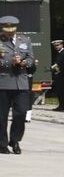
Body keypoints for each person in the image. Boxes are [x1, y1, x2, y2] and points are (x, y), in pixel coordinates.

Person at [0, 16, 35, 154]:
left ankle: (15, 140)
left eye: (12, 30)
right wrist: (10, 63)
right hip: (3, 83)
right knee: (1, 116)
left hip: (21, 83)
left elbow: (31, 58)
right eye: (7, 31)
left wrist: (24, 62)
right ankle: (2, 143)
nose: (10, 33)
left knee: (21, 113)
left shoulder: (25, 40)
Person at [50, 39, 64, 111]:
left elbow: (61, 65)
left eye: (58, 45)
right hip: (58, 75)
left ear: (62, 45)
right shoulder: (58, 53)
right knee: (59, 91)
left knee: (62, 91)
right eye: (55, 46)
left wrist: (53, 68)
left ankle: (62, 106)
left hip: (62, 75)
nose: (56, 47)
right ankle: (60, 105)